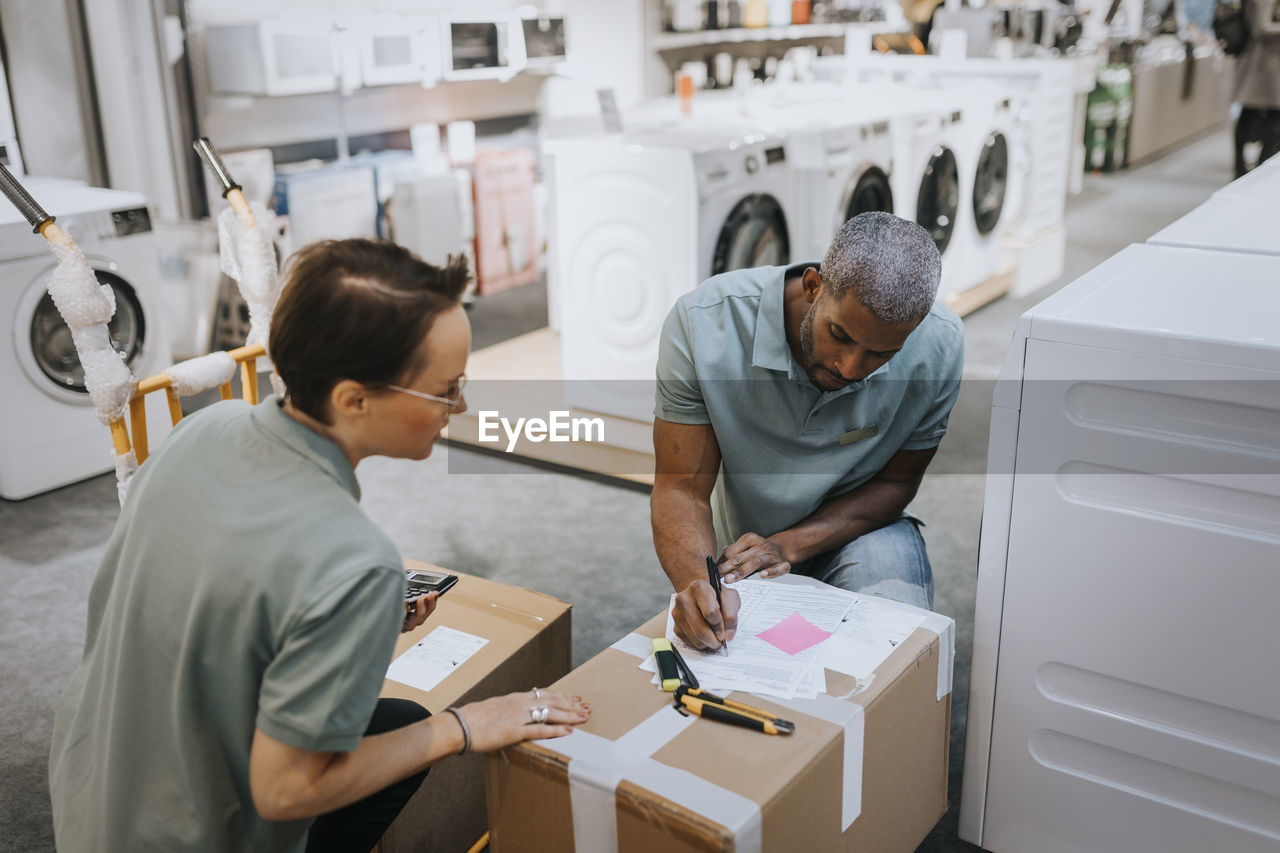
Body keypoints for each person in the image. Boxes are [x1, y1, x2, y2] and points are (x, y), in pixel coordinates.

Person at [48, 239, 591, 853]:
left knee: (398, 721)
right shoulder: (352, 560)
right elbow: (285, 792)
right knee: (421, 729)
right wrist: (465, 726)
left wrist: (349, 625)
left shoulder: (205, 428)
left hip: (91, 788)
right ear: (353, 399)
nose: (460, 405)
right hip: (183, 838)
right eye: (446, 388)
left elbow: (226, 607)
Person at [651, 212, 963, 651]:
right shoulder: (705, 324)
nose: (850, 367)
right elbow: (681, 489)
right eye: (840, 334)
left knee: (892, 648)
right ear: (814, 287)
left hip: (862, 530)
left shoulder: (940, 345)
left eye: (881, 354)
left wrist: (789, 545)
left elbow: (897, 483)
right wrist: (697, 585)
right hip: (745, 547)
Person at [1233, 0, 1280, 177]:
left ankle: (1249, 168)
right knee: (1265, 115)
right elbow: (1261, 27)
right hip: (1262, 64)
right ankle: (1249, 168)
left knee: (1258, 115)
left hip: (1269, 64)